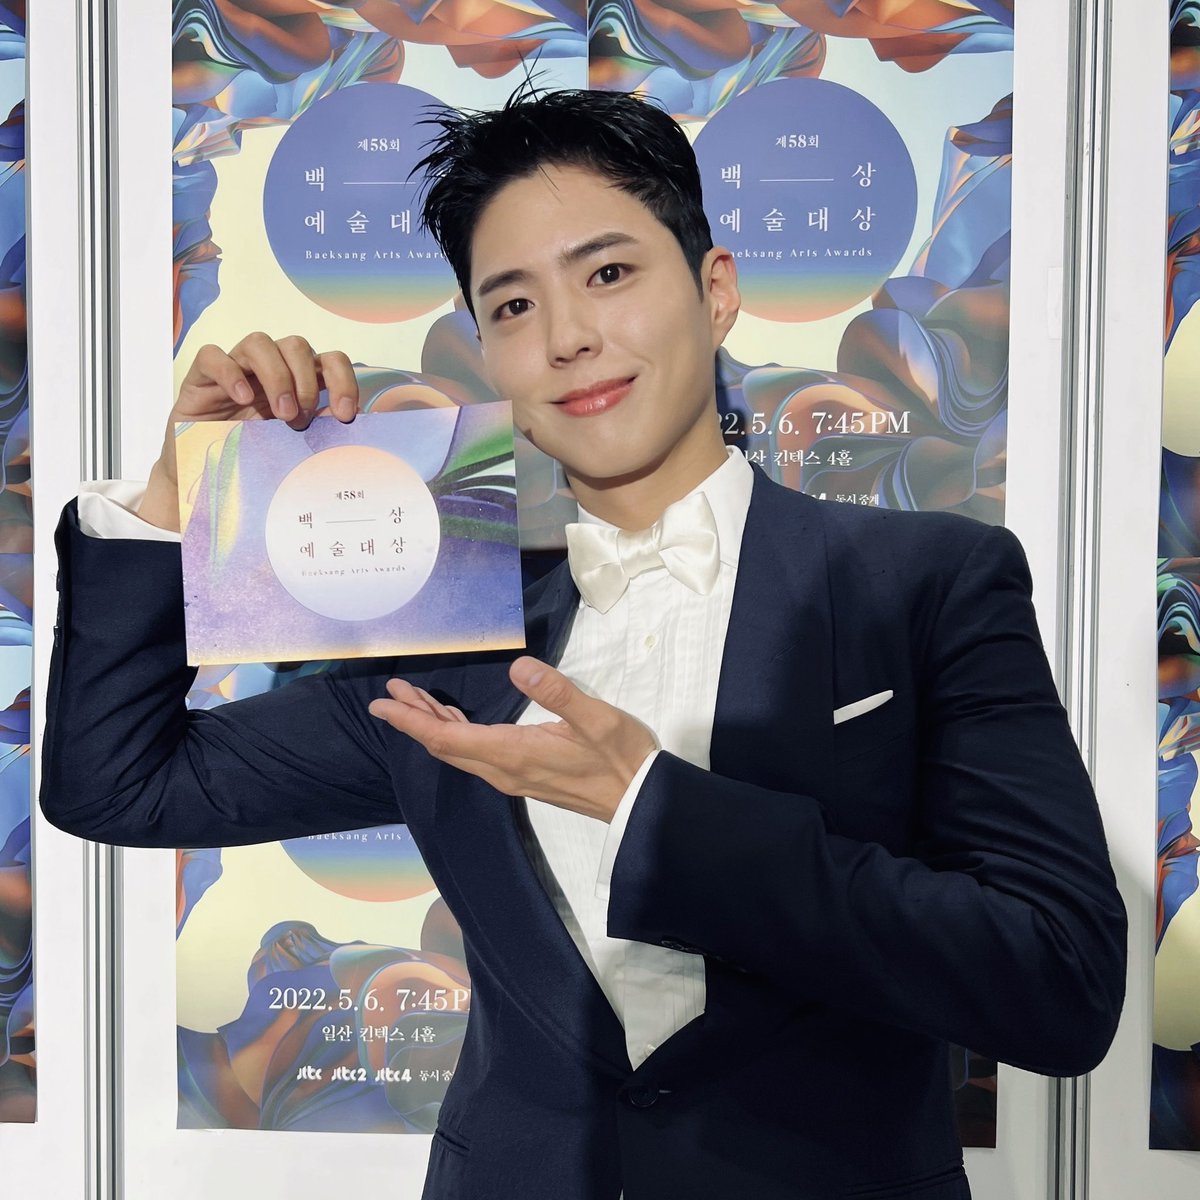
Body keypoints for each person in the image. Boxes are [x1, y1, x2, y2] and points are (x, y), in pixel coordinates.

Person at [41, 88, 1126, 1199]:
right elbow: (117, 785)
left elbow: (1060, 984)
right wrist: (172, 503)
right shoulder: (453, 630)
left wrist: (652, 809)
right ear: (485, 354)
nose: (567, 338)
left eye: (609, 273)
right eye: (514, 305)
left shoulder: (925, 582)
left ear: (715, 291)